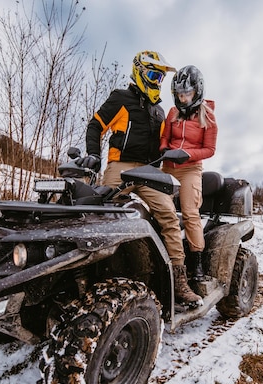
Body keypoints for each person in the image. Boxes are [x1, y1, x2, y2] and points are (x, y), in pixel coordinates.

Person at [79, 50, 203, 307]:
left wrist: (175, 154)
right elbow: (95, 125)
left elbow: (164, 144)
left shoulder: (160, 112)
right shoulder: (121, 98)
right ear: (138, 72)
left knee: (169, 214)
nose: (156, 81)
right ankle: (90, 272)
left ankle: (179, 280)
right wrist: (93, 155)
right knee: (99, 212)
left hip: (148, 171)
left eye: (160, 78)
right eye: (152, 75)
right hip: (119, 166)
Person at [160, 65, 217, 281]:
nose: (183, 99)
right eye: (179, 94)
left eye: (187, 94)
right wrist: (165, 149)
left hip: (190, 169)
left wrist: (187, 154)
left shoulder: (208, 117)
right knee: (159, 208)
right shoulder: (173, 113)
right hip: (168, 166)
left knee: (190, 212)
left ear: (198, 91)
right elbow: (165, 137)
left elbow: (210, 149)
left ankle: (196, 263)